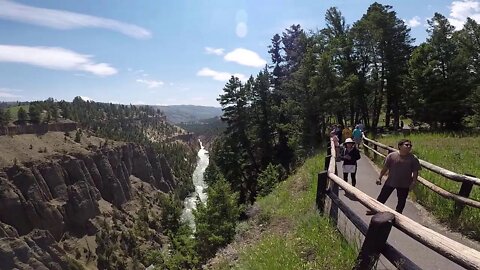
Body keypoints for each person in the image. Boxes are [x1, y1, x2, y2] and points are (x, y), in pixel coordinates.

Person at [368, 139, 422, 215]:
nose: (409, 146)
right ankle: (374, 210)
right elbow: (385, 168)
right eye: (406, 145)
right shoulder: (392, 156)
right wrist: (379, 177)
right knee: (382, 197)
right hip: (391, 181)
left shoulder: (413, 158)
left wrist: (413, 182)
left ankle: (398, 216)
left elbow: (415, 171)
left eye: (410, 145)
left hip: (404, 184)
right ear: (400, 146)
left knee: (401, 201)